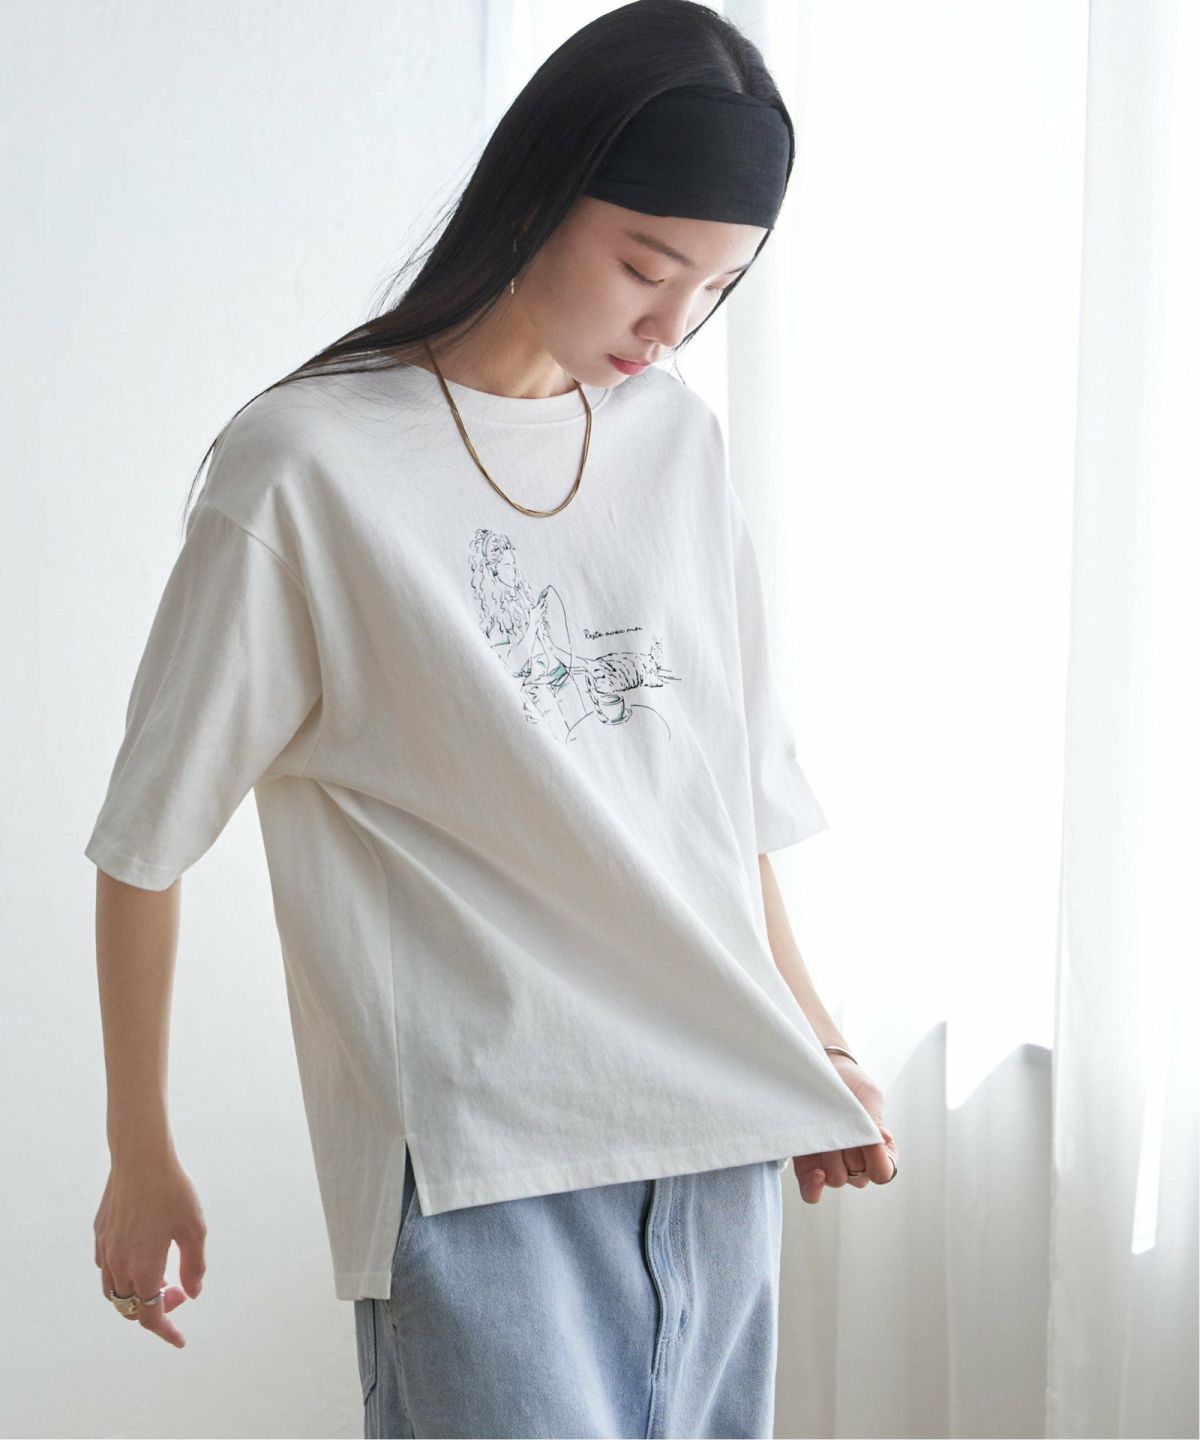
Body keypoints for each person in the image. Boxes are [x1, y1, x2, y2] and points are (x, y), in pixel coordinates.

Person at [87, 1, 899, 1435]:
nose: (671, 326)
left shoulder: (675, 442)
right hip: (483, 1166)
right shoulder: (308, 465)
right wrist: (138, 1149)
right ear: (537, 194)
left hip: (720, 1142)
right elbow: (146, 839)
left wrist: (816, 1042)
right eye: (645, 265)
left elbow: (721, 799)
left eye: (717, 286)